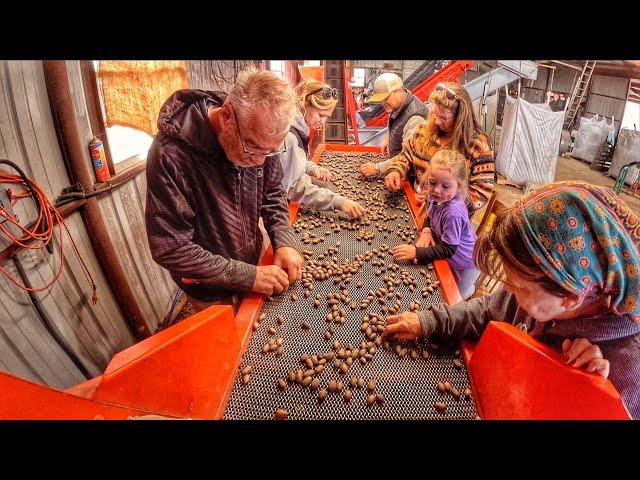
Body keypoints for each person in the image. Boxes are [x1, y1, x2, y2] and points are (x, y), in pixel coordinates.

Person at [383, 181, 640, 419]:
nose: (506, 289)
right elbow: (485, 310)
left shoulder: (627, 374)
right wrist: (429, 321)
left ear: (572, 297)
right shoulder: (533, 298)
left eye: (517, 287)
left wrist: (589, 392)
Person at [145, 66, 303, 312]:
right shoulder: (170, 155)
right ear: (226, 116)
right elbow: (171, 248)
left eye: (270, 151)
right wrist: (248, 276)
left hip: (254, 262)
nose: (261, 160)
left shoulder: (258, 134)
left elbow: (272, 194)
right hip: (210, 289)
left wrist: (284, 240)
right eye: (252, 148)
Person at [383, 82, 496, 216]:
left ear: (460, 118)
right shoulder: (425, 131)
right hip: (414, 206)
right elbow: (406, 154)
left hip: (447, 220)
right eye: (434, 114)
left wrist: (438, 201)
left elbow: (481, 194)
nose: (436, 121)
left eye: (443, 117)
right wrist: (396, 170)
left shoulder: (478, 148)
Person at [392, 150, 479, 299]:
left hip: (467, 263)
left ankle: (471, 290)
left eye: (445, 186)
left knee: (456, 298)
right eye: (433, 182)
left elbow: (448, 249)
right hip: (450, 255)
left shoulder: (453, 212)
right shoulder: (435, 196)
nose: (437, 190)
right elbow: (431, 215)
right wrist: (426, 230)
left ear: (458, 187)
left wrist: (417, 252)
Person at [279, 79, 366, 219]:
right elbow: (295, 188)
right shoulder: (289, 136)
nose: (323, 122)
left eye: (327, 117)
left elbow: (294, 161)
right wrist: (339, 202)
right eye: (321, 115)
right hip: (279, 206)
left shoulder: (299, 124)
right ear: (306, 104)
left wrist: (313, 168)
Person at [359, 72, 429, 181]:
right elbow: (396, 118)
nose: (383, 102)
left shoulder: (416, 118)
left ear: (400, 91)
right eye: (381, 99)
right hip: (396, 168)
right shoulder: (399, 103)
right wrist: (389, 135)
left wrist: (377, 168)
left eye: (386, 97)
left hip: (409, 177)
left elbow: (407, 157)